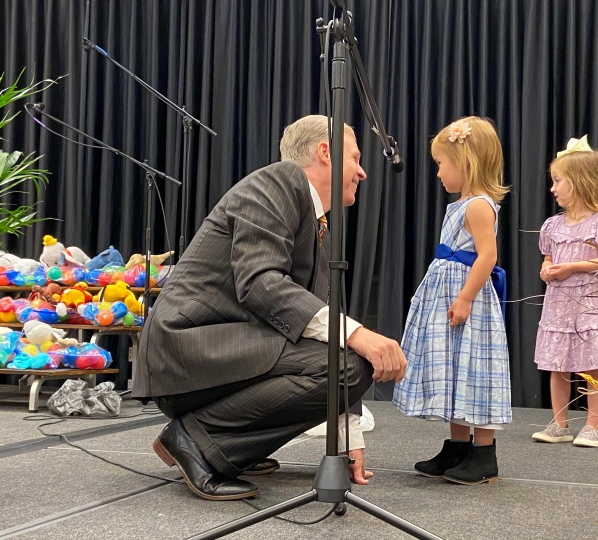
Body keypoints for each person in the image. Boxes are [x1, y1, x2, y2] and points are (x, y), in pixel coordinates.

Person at [133, 115, 407, 501]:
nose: (362, 172)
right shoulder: (279, 181)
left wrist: (346, 437)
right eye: (356, 158)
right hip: (187, 352)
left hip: (219, 353)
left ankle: (233, 446)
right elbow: (261, 284)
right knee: (350, 362)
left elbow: (317, 323)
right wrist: (359, 334)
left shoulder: (311, 220)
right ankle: (198, 441)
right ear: (325, 152)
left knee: (345, 357)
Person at [393, 116, 512, 485]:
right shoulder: (460, 205)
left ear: (465, 162)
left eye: (442, 164)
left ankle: (484, 453)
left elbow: (486, 257)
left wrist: (463, 298)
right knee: (456, 369)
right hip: (449, 294)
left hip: (469, 302)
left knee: (476, 369)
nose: (439, 172)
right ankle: (458, 446)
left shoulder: (479, 206)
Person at [532, 135, 598, 448]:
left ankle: (593, 425)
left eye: (558, 181)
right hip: (561, 301)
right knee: (557, 364)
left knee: (592, 364)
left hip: (590, 301)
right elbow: (549, 255)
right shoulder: (553, 225)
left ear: (579, 182)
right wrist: (547, 267)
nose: (553, 188)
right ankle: (560, 422)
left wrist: (573, 267)